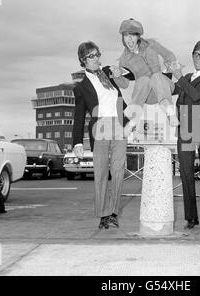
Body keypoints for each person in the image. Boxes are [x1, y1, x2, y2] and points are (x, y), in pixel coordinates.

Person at [72, 41, 131, 229]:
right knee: (101, 173)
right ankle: (103, 215)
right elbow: (79, 116)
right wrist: (77, 143)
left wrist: (121, 72)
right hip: (100, 128)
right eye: (91, 56)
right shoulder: (81, 88)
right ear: (83, 61)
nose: (96, 58)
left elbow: (131, 75)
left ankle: (113, 212)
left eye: (98, 54)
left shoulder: (108, 73)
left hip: (119, 126)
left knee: (118, 171)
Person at [169, 40, 200, 228]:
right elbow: (173, 89)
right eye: (195, 53)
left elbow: (196, 95)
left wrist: (179, 77)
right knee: (186, 173)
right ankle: (191, 217)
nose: (198, 57)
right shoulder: (187, 76)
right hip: (187, 127)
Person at [112, 18, 179, 137]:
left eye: (132, 35)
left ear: (138, 36)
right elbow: (125, 84)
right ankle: (133, 120)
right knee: (143, 80)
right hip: (147, 94)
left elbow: (169, 55)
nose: (129, 39)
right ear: (123, 37)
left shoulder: (151, 45)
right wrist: (117, 77)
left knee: (156, 76)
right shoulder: (124, 59)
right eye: (126, 35)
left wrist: (170, 68)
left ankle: (170, 112)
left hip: (164, 87)